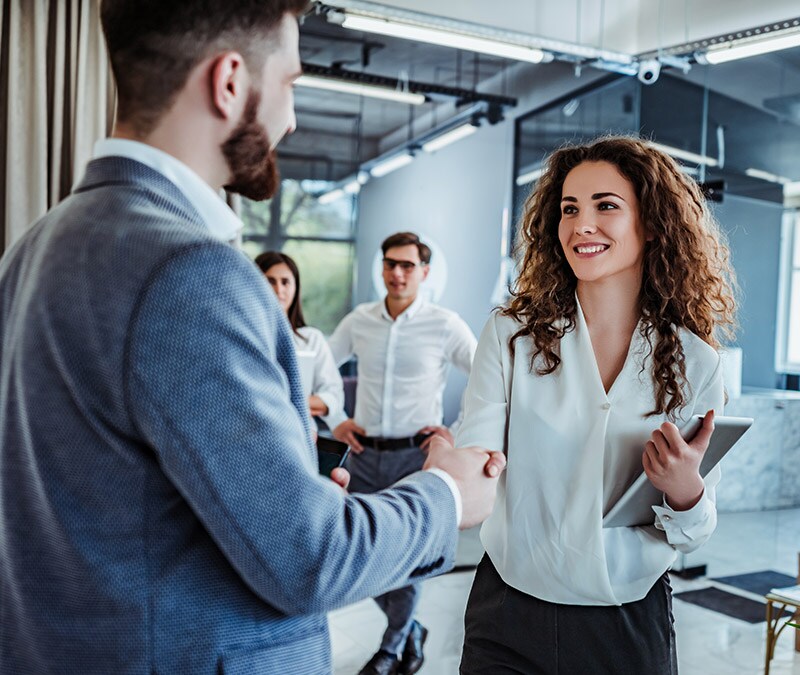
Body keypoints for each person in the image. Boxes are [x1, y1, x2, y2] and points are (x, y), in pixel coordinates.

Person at [0, 3, 507, 674]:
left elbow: (113, 497)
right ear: (230, 82)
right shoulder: (191, 272)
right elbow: (309, 557)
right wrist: (447, 493)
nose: (292, 117)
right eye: (290, 83)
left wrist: (284, 476)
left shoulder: (35, 246)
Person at [456, 136, 737, 674]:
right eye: (569, 208)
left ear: (652, 223)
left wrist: (685, 490)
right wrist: (449, 480)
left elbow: (694, 530)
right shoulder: (510, 336)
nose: (581, 224)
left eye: (606, 205)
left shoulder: (696, 362)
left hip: (626, 618)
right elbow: (477, 459)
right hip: (508, 609)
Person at [328, 231, 479, 675]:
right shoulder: (359, 320)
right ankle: (411, 630)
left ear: (424, 273)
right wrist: (336, 416)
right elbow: (319, 368)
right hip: (361, 456)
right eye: (390, 264)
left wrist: (452, 432)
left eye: (408, 266)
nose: (397, 273)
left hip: (414, 460)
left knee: (408, 560)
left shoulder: (444, 323)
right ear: (381, 269)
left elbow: (489, 378)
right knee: (358, 552)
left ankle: (391, 650)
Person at [255, 250, 344, 427]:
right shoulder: (244, 339)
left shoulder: (312, 339)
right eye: (270, 281)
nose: (278, 290)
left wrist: (288, 401)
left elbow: (334, 396)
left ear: (295, 288)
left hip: (300, 437)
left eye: (285, 282)